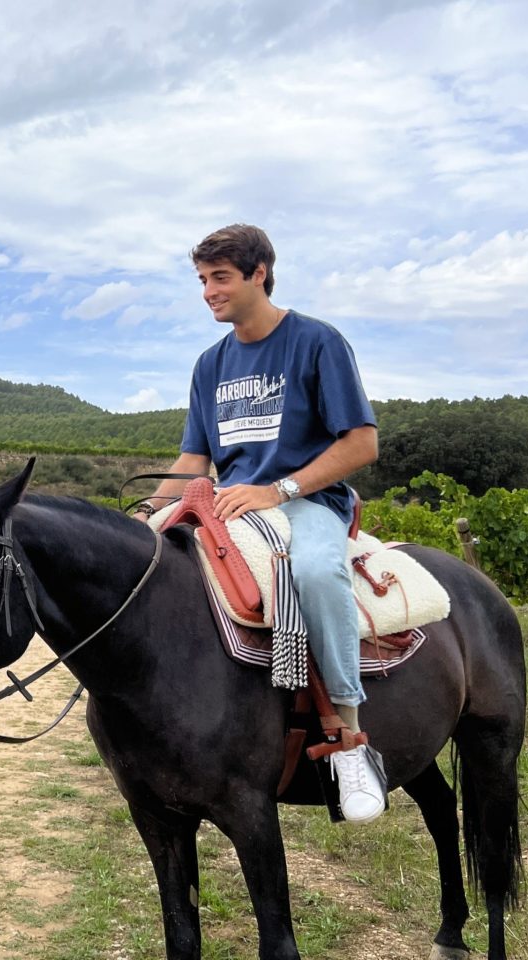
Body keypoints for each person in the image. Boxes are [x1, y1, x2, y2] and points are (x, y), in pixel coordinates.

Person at [141, 224, 384, 823]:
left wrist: (278, 490)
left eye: (220, 278)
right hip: (230, 501)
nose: (208, 292)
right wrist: (149, 513)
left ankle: (349, 738)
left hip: (306, 500)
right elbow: (195, 460)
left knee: (318, 574)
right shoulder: (209, 365)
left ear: (260, 273)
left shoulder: (317, 342)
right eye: (201, 280)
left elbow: (362, 443)